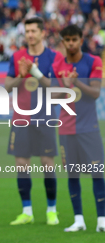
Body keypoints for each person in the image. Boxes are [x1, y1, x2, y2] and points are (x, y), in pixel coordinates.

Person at [4, 17, 64, 226]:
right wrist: (21, 75)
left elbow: (58, 90)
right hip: (21, 118)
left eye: (33, 31)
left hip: (45, 117)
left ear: (42, 33)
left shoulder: (54, 57)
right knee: (21, 164)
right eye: (27, 31)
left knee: (48, 164)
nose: (29, 35)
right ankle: (27, 211)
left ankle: (51, 210)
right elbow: (7, 87)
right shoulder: (17, 56)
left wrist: (35, 72)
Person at [50, 25, 105, 232]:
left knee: (97, 172)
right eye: (67, 40)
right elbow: (52, 99)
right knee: (73, 174)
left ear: (81, 40)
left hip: (89, 127)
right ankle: (79, 220)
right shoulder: (58, 65)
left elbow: (95, 92)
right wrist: (65, 86)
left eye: (74, 39)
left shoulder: (93, 61)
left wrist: (75, 83)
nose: (71, 43)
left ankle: (102, 220)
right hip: (66, 128)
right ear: (63, 42)